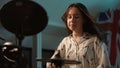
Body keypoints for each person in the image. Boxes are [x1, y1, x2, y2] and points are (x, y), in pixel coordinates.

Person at [46, 3, 111, 68]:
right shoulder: (65, 42)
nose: (72, 20)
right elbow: (51, 62)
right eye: (69, 17)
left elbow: (105, 65)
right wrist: (53, 64)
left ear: (84, 19)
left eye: (76, 17)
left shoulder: (95, 41)